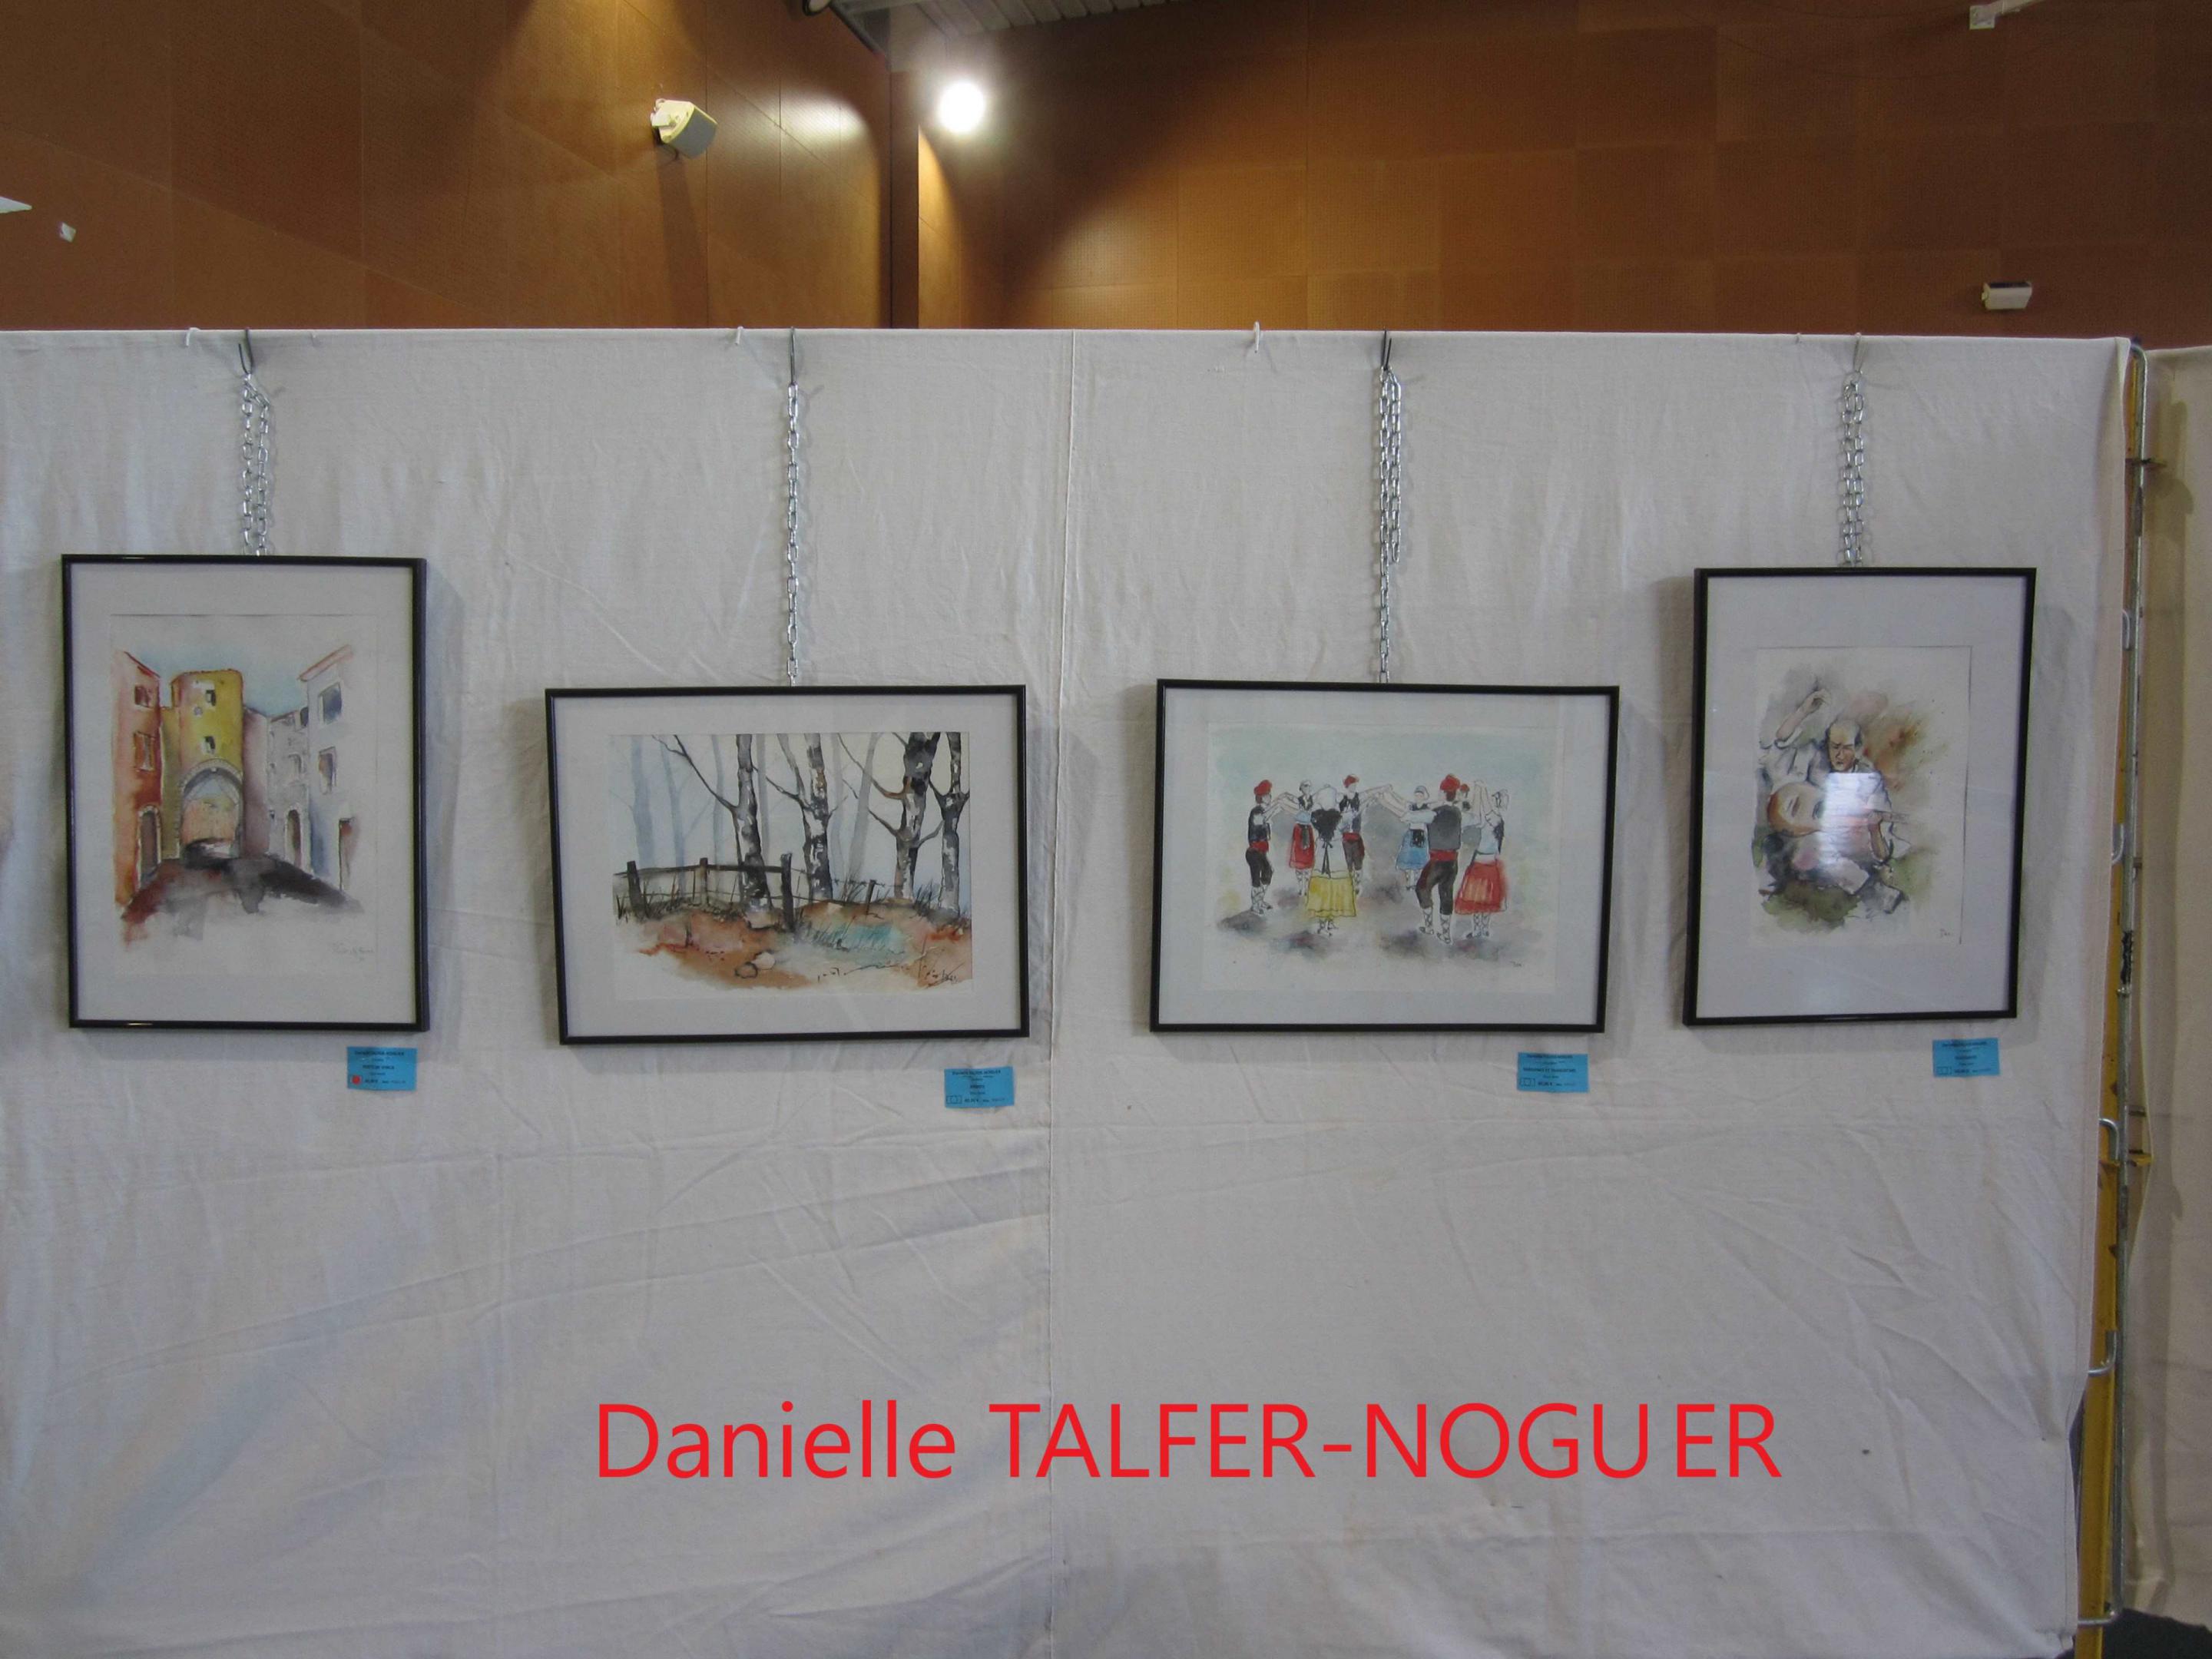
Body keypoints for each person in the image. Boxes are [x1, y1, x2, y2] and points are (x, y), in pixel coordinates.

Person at [1455, 785, 1509, 942]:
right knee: (1479, 899)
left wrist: (1481, 789)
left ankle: (1482, 929)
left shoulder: (1495, 818)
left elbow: (1484, 807)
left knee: (1483, 899)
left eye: (1494, 799)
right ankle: (1479, 929)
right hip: (1482, 862)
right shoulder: (1492, 819)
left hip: (1485, 863)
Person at [1414, 775, 1464, 937]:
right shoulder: (1457, 812)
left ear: (1442, 793)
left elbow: (1408, 816)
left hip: (1437, 861)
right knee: (1446, 893)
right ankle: (1446, 934)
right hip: (1453, 862)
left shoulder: (1435, 813)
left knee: (1422, 888)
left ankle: (1429, 926)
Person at [1303, 784, 1356, 935]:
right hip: (1335, 860)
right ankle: (1325, 925)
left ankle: (1327, 923)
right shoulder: (1340, 819)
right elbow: (1353, 813)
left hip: (1324, 860)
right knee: (1332, 890)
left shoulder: (1316, 819)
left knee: (1325, 890)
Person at [1244, 780, 1276, 913]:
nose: (1270, 797)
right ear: (1261, 797)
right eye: (1267, 795)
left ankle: (1259, 900)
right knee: (1256, 878)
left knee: (1268, 872)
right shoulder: (1257, 812)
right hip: (1254, 851)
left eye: (1269, 795)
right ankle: (1255, 905)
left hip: (1261, 851)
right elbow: (1260, 823)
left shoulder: (1263, 811)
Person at [1285, 781, 1317, 894]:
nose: (1307, 788)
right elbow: (1288, 798)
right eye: (1305, 786)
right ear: (1301, 788)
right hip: (1299, 830)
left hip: (1308, 830)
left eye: (1309, 786)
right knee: (1298, 859)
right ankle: (1300, 887)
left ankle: (1306, 887)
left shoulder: (1314, 799)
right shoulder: (1298, 800)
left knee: (1308, 860)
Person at [1339, 774, 1368, 894]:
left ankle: (1357, 884)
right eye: (1352, 784)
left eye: (1355, 784)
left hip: (1356, 836)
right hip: (1346, 837)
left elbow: (1367, 797)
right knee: (1348, 861)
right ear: (1347, 785)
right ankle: (1350, 883)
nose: (1354, 786)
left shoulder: (1358, 798)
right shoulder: (1342, 799)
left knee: (1358, 861)